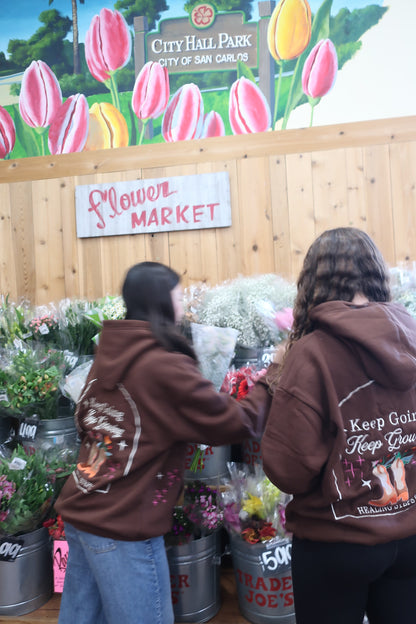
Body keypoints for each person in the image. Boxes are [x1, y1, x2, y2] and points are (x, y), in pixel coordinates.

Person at [55, 261, 275, 624]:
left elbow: (87, 421)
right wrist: (270, 381)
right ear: (161, 302)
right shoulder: (162, 364)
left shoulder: (112, 352)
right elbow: (237, 422)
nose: (182, 303)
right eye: (177, 294)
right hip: (122, 524)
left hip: (83, 507)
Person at [261, 227, 416, 624]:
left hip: (336, 542)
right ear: (376, 274)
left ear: (314, 282)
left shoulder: (311, 353)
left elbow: (287, 469)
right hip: (409, 534)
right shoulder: (411, 335)